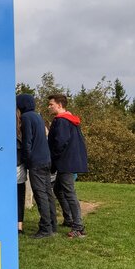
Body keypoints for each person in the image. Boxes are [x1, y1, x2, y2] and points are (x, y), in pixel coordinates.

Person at [47, 93, 89, 238]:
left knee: (69, 193)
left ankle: (78, 226)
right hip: (69, 161)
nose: (49, 107)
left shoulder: (62, 121)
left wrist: (52, 159)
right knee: (58, 189)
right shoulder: (71, 120)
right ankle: (69, 219)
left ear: (59, 104)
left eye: (51, 104)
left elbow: (59, 143)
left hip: (65, 162)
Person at [18, 94, 57, 239]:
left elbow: (28, 140)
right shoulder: (37, 116)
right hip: (46, 159)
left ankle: (45, 228)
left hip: (36, 162)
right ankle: (53, 225)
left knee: (40, 195)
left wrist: (26, 160)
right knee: (48, 194)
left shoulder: (27, 117)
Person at [16, 107, 26, 234]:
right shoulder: (21, 130)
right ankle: (19, 224)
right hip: (20, 165)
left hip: (10, 166)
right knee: (19, 196)